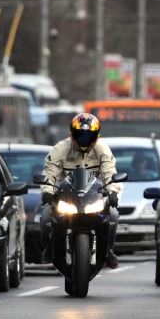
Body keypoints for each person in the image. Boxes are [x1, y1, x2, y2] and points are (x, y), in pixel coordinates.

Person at [40, 113, 123, 268]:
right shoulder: (60, 148)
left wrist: (112, 192)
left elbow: (109, 172)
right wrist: (47, 192)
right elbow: (49, 173)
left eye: (89, 136)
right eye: (80, 135)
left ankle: (108, 250)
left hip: (94, 197)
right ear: (71, 134)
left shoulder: (103, 149)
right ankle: (48, 248)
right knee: (45, 217)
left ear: (97, 136)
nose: (84, 140)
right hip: (66, 197)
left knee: (114, 215)